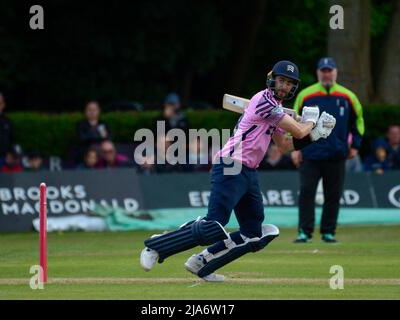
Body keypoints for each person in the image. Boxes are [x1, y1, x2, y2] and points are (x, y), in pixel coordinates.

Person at [139, 60, 336, 282]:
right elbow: (299, 132)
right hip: (231, 165)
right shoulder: (264, 101)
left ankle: (202, 263)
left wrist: (315, 135)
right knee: (214, 224)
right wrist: (311, 123)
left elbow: (284, 145)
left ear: (293, 88)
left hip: (249, 172)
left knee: (254, 234)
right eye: (281, 80)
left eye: (289, 83)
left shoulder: (277, 110)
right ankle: (156, 246)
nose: (284, 86)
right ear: (272, 79)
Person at [291, 57, 365, 243]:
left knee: (333, 195)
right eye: (323, 70)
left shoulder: (348, 96)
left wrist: (355, 145)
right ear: (318, 73)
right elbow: (292, 121)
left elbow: (359, 122)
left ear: (335, 72)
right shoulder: (306, 95)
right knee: (307, 192)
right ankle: (304, 232)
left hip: (337, 154)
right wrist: (294, 148)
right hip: (310, 153)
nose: (326, 74)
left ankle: (328, 232)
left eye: (329, 70)